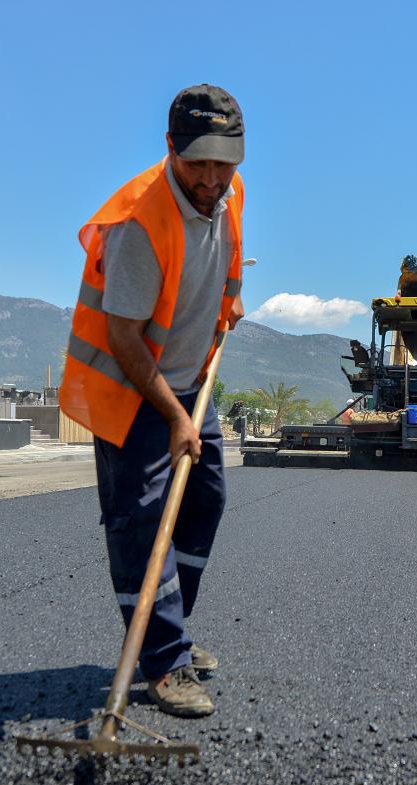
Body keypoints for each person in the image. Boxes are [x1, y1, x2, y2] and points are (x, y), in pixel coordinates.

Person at [60, 84, 246, 718]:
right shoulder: (139, 225)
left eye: (224, 164)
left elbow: (222, 259)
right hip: (131, 388)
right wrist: (172, 417)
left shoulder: (229, 192)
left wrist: (229, 299)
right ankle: (165, 663)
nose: (212, 178)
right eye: (198, 164)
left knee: (205, 499)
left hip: (189, 380)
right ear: (171, 147)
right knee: (142, 521)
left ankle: (170, 634)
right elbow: (124, 339)